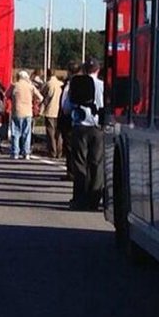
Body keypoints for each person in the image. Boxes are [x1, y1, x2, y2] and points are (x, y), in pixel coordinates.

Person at [64, 58, 106, 210]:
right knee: (96, 163)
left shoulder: (74, 84)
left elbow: (66, 108)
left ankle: (79, 199)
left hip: (80, 127)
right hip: (97, 128)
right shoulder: (103, 86)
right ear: (98, 70)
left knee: (80, 163)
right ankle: (94, 199)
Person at [6, 70, 43, 160]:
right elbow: (41, 97)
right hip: (28, 113)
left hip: (16, 112)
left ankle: (15, 153)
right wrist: (34, 101)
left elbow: (6, 95)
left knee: (15, 133)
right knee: (26, 133)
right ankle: (26, 153)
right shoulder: (30, 86)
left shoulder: (14, 85)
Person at [58, 61, 80, 181]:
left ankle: (72, 172)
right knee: (68, 146)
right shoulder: (68, 83)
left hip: (70, 118)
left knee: (71, 147)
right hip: (67, 118)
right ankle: (70, 171)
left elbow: (67, 103)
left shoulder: (73, 84)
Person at [41, 69, 65, 159]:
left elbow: (42, 94)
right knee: (58, 133)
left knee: (51, 132)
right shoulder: (61, 84)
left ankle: (52, 151)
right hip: (59, 111)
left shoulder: (48, 84)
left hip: (50, 111)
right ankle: (60, 151)